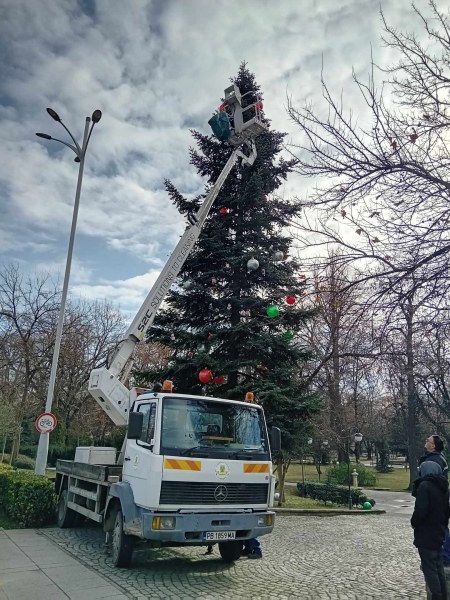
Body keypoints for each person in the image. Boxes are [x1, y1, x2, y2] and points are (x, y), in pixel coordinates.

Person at [411, 460, 450, 600]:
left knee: (430, 569)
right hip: (439, 532)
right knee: (438, 567)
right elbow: (447, 512)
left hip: (426, 533)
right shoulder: (443, 487)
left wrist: (414, 522)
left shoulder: (425, 486)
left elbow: (420, 511)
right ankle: (443, 595)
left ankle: (436, 596)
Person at [419, 435, 450, 566]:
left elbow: (429, 481)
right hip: (441, 498)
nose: (426, 442)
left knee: (439, 527)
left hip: (434, 500)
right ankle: (444, 555)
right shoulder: (439, 458)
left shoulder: (433, 461)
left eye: (428, 441)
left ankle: (444, 556)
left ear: (433, 446)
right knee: (442, 526)